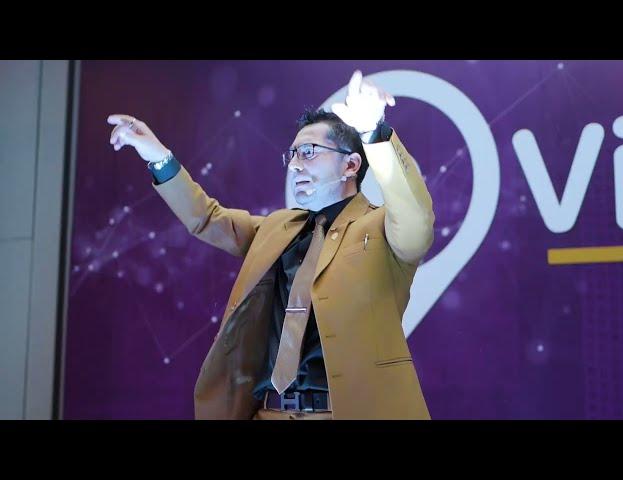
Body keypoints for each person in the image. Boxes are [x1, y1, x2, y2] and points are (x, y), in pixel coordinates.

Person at [107, 70, 435, 420]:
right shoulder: (278, 228)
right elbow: (207, 218)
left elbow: (415, 217)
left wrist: (373, 133)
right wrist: (159, 157)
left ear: (351, 164)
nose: (295, 165)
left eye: (308, 152)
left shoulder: (382, 228)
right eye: (292, 155)